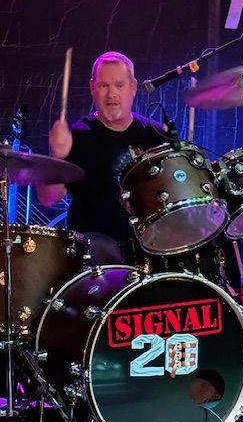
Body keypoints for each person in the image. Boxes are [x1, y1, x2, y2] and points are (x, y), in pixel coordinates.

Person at [37, 50, 167, 264]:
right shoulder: (78, 136)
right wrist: (57, 157)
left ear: (133, 87)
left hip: (149, 245)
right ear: (92, 88)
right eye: (104, 85)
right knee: (100, 249)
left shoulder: (155, 134)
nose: (111, 94)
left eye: (119, 85)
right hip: (95, 250)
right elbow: (48, 198)